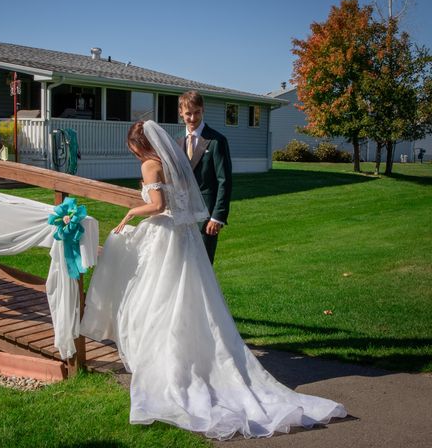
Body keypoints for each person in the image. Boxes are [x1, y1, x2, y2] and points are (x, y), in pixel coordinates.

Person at [81, 120, 346, 440]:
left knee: (154, 299)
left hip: (165, 236)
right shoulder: (169, 161)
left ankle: (164, 365)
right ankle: (187, 357)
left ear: (139, 144)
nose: (133, 151)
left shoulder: (151, 164)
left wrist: (129, 214)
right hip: (184, 238)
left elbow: (158, 206)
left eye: (132, 146)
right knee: (185, 299)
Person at [177, 91, 232, 263]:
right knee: (183, 266)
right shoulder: (177, 140)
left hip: (206, 218)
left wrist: (217, 217)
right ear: (181, 113)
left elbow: (225, 181)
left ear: (203, 110)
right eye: (188, 113)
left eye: (197, 112)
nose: (193, 118)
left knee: (203, 266)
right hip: (181, 216)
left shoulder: (216, 141)